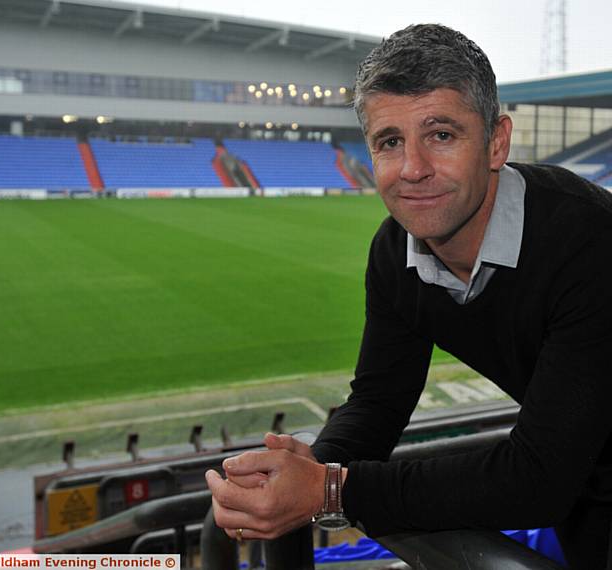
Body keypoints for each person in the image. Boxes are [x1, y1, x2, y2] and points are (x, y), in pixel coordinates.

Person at [206, 23, 612, 569]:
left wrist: (331, 490)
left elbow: (537, 478)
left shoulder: (591, 242)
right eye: (390, 142)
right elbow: (378, 400)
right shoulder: (395, 249)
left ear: (496, 142)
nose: (413, 170)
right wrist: (306, 470)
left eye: (441, 135)